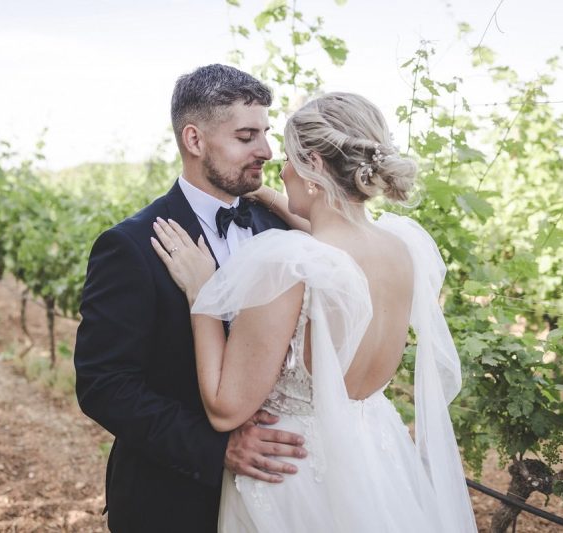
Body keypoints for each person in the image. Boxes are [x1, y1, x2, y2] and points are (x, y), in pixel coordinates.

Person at [151, 92, 478, 532]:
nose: (279, 170)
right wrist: (264, 193)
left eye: (287, 159)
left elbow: (226, 410)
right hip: (378, 467)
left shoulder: (288, 263)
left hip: (294, 478)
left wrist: (202, 293)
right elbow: (331, 230)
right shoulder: (402, 248)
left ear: (315, 166)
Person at [73, 64, 307, 533]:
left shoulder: (281, 229)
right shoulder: (131, 246)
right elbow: (103, 385)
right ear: (195, 141)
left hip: (281, 497)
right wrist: (217, 449)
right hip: (172, 499)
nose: (265, 151)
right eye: (246, 136)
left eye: (265, 133)